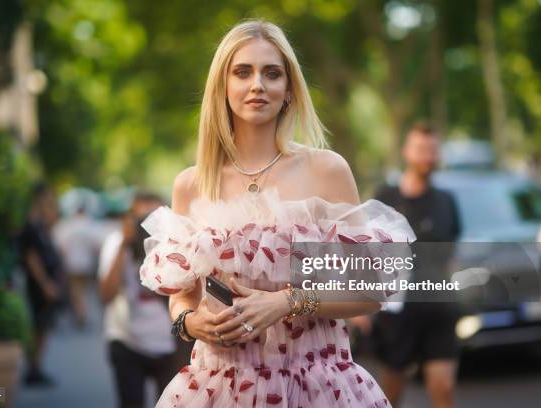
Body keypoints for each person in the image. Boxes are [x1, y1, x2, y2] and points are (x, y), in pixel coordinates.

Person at [137, 20, 415, 407]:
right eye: (242, 72)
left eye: (272, 73)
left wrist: (287, 301)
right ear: (223, 86)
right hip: (218, 386)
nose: (257, 85)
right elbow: (182, 294)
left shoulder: (326, 170)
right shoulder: (191, 183)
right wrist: (189, 323)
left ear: (288, 90)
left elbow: (370, 290)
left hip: (316, 385)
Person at [352, 123, 461, 408]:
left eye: (433, 150)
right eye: (421, 149)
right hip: (398, 311)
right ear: (407, 152)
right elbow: (366, 251)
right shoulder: (386, 197)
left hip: (439, 307)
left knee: (444, 387)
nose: (428, 156)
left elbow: (452, 254)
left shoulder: (446, 201)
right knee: (391, 394)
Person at [99, 191, 177, 408]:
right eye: (142, 219)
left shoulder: (175, 243)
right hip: (126, 340)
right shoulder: (116, 243)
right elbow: (106, 295)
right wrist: (125, 244)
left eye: (155, 219)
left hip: (168, 342)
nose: (147, 227)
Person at [19, 182, 64, 386]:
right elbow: (31, 258)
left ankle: (36, 367)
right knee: (39, 326)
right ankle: (33, 368)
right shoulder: (31, 225)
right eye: (47, 197)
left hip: (48, 283)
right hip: (39, 287)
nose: (50, 201)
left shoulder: (41, 224)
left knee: (44, 327)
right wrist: (46, 284)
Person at [53, 202, 103, 328]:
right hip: (86, 264)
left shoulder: (67, 226)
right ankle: (82, 312)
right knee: (83, 290)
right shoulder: (90, 226)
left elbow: (60, 247)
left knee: (75, 290)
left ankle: (80, 313)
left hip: (71, 264)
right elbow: (97, 246)